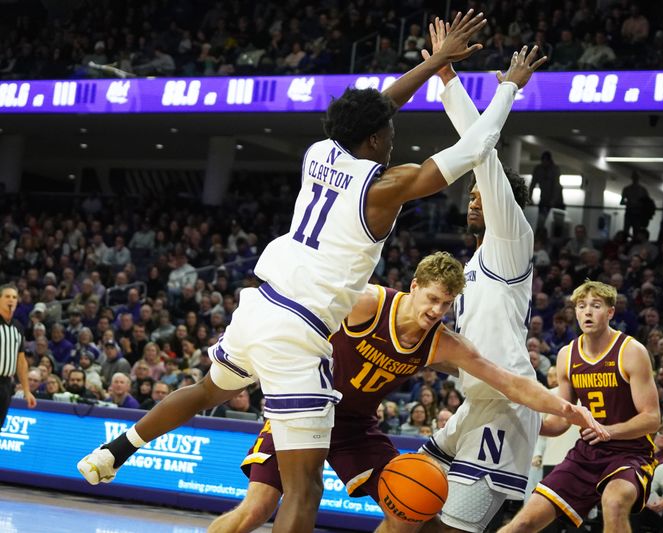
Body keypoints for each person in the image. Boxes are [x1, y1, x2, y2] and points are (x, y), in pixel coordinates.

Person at [77, 13, 537, 533]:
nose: (392, 133)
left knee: (208, 391)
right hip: (298, 333)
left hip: (258, 307)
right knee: (304, 489)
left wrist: (434, 64)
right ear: (372, 141)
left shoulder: (320, 151)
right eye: (388, 132)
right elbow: (474, 149)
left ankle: (117, 448)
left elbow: (377, 106)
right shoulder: (382, 189)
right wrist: (508, 91)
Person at [208, 253, 599, 533]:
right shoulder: (365, 304)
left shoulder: (442, 342)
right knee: (258, 507)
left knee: (410, 512)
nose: (436, 310)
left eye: (446, 304)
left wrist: (569, 410)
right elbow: (292, 311)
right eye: (431, 298)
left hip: (354, 429)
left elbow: (511, 382)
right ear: (413, 287)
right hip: (306, 410)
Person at [404, 21, 564, 533]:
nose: (472, 199)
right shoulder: (472, 265)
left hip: (506, 408)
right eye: (470, 197)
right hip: (474, 401)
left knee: (452, 530)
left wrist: (465, 81)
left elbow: (483, 152)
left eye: (480, 195)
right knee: (405, 506)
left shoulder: (511, 240)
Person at [500, 280, 661, 533]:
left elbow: (652, 419)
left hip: (631, 452)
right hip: (586, 454)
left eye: (595, 306)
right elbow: (562, 421)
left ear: (610, 312)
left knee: (614, 502)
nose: (587, 312)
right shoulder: (567, 355)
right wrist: (526, 423)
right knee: (523, 522)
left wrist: (607, 430)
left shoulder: (631, 351)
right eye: (581, 306)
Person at [0, 285, 36, 429]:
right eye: (7, 296)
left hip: (6, 385)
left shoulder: (18, 327)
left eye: (14, 297)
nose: (11, 300)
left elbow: (21, 361)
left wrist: (27, 391)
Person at [529, 151, 564, 228]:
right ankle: (539, 237)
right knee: (540, 223)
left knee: (558, 224)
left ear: (549, 161)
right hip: (545, 199)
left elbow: (556, 186)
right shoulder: (538, 169)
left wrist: (553, 201)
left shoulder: (555, 169)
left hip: (557, 200)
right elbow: (532, 184)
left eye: (545, 161)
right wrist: (529, 198)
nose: (544, 163)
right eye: (543, 161)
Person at [620, 171, 654, 237]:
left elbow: (647, 203)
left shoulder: (642, 190)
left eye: (636, 177)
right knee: (626, 231)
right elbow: (622, 202)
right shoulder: (627, 189)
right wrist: (630, 203)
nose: (635, 179)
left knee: (636, 232)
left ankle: (634, 243)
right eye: (634, 177)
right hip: (630, 212)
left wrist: (637, 204)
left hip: (638, 213)